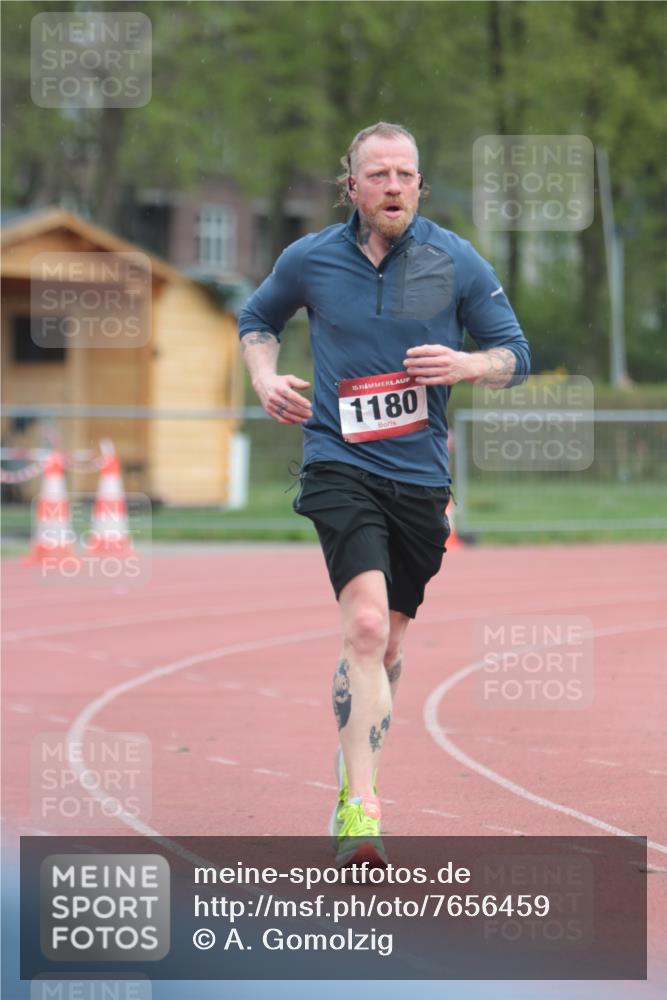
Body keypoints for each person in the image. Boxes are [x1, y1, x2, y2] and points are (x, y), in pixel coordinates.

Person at [238, 122, 530, 866]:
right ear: (352, 187)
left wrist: (467, 365)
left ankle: (353, 763)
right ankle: (361, 809)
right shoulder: (310, 258)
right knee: (365, 626)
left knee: (390, 641)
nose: (393, 186)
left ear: (420, 185)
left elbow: (514, 355)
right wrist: (265, 379)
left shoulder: (453, 259)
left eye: (405, 174)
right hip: (338, 461)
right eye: (378, 175)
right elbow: (257, 319)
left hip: (420, 477)